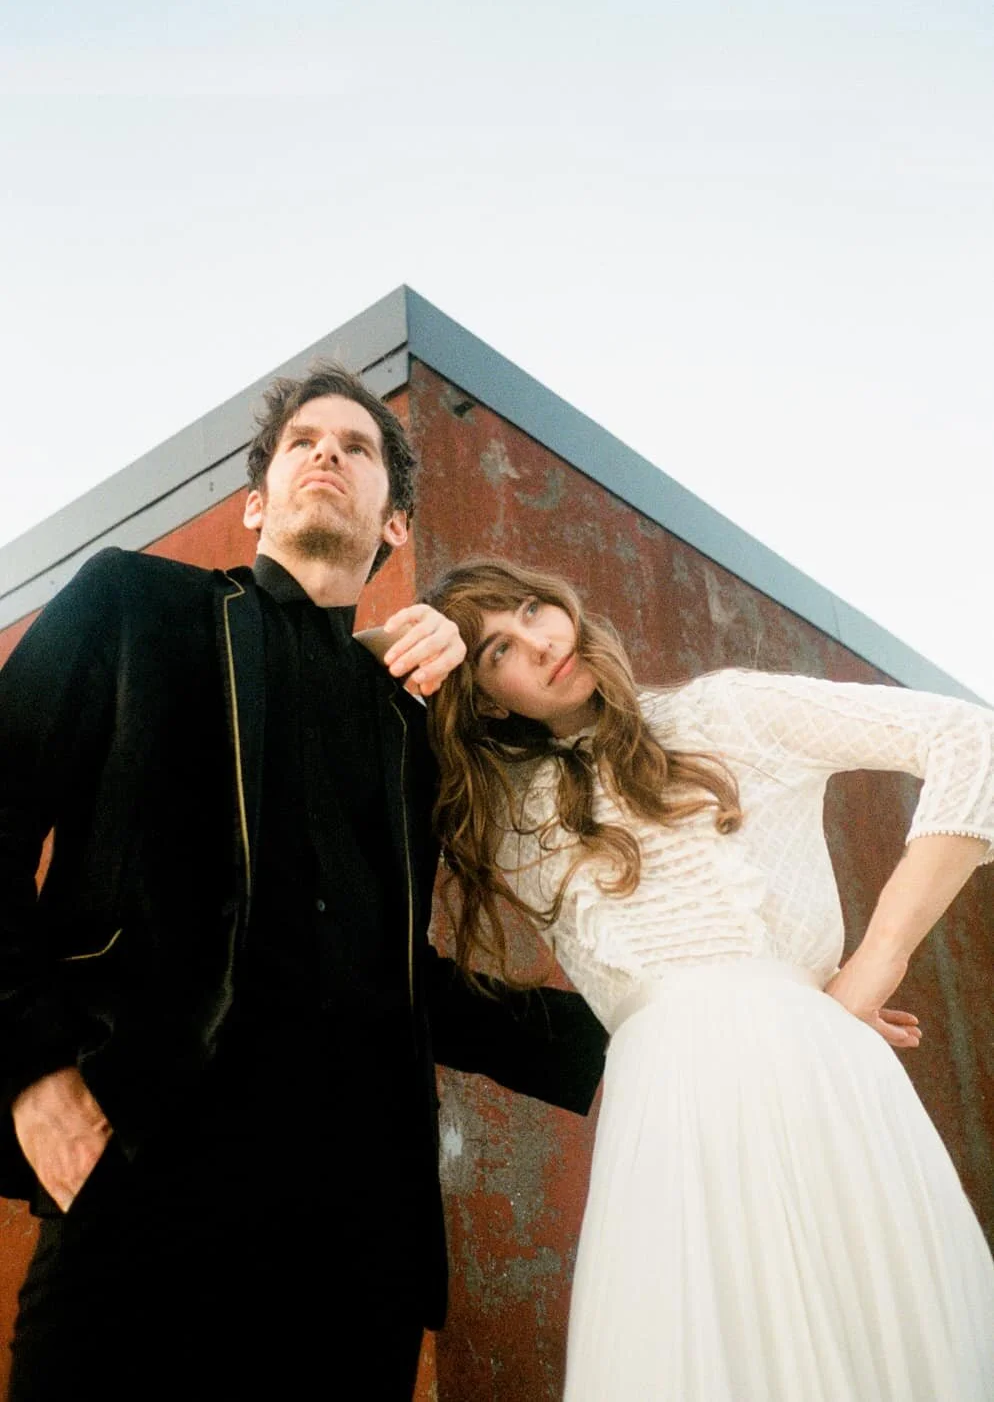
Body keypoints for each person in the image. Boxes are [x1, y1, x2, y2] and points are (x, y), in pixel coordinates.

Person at [0, 372, 607, 1401]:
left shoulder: (411, 722)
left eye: (358, 447)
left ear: (394, 523)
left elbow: (398, 976)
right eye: (303, 442)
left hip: (355, 1247)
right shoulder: (134, 607)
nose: (328, 452)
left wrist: (657, 1026)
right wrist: (32, 1076)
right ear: (256, 502)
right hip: (140, 1185)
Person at [426, 557, 994, 1402]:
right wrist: (402, 650)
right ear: (484, 699)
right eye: (497, 650)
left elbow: (971, 740)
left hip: (811, 1071)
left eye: (534, 610)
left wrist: (876, 962)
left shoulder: (724, 711)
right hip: (660, 1107)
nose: (539, 643)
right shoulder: (495, 812)